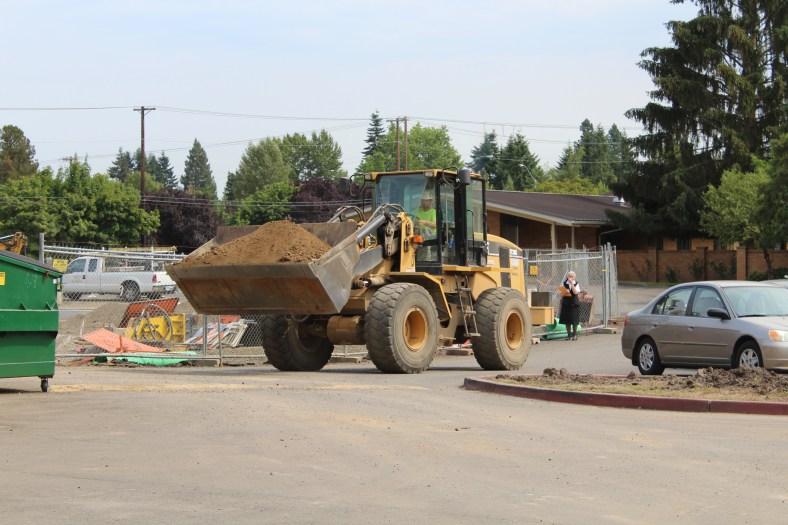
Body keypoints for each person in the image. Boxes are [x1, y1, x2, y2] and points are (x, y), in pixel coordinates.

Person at [559, 271, 582, 340]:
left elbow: (576, 292)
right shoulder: (564, 283)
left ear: (574, 277)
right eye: (569, 276)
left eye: (571, 276)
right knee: (567, 320)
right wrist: (565, 292)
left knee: (574, 320)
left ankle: (574, 335)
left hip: (574, 303)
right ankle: (569, 335)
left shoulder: (576, 283)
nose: (570, 278)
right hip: (566, 303)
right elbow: (561, 295)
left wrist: (572, 284)